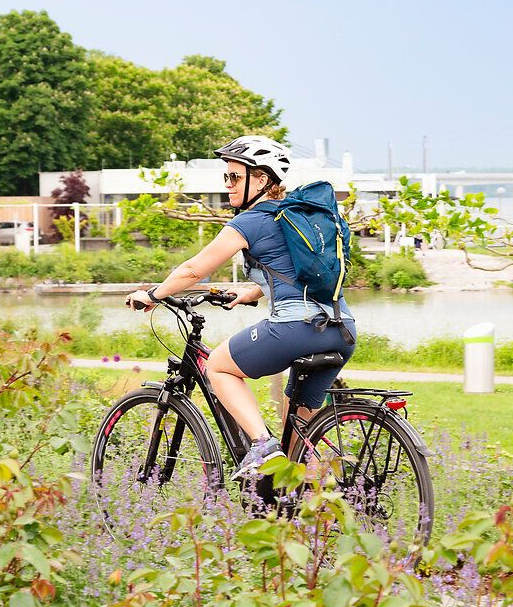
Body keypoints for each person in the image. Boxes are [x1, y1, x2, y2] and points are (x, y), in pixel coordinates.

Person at [126, 136, 355, 480]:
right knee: (298, 446)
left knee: (218, 367)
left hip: (296, 329)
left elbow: (194, 269)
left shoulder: (251, 221)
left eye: (234, 177)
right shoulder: (294, 216)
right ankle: (302, 510)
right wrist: (254, 292)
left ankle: (261, 445)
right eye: (226, 178)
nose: (228, 186)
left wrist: (153, 294)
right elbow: (296, 274)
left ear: (261, 180)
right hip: (342, 329)